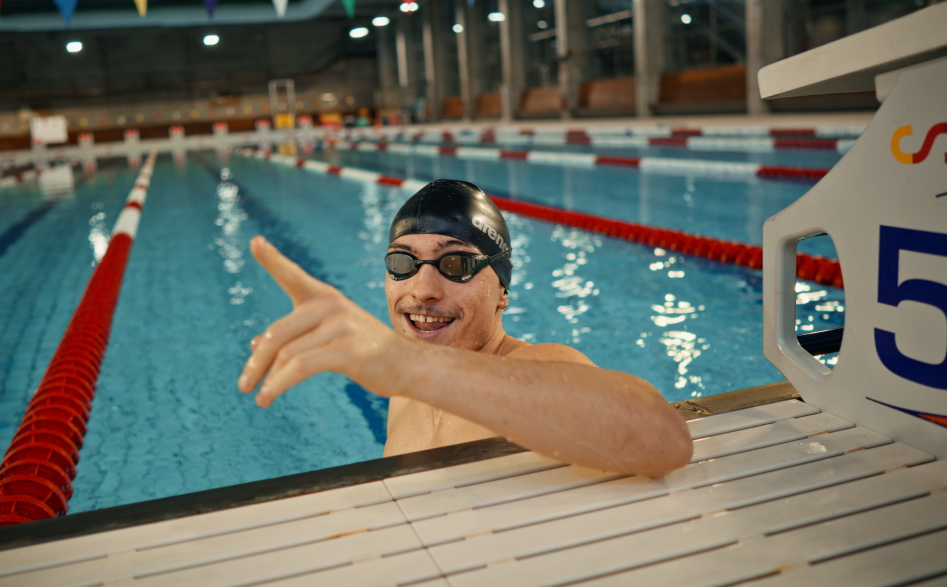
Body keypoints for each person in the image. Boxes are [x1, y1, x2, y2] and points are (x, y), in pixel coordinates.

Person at [238, 180, 692, 477]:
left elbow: (664, 439)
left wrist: (406, 365)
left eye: (456, 263)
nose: (423, 290)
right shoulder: (406, 391)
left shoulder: (535, 365)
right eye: (403, 263)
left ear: (502, 291)